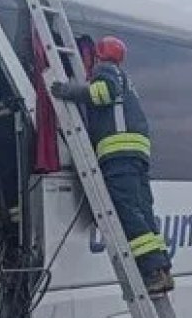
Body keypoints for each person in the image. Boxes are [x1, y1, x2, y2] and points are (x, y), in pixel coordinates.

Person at [50, 35, 174, 293]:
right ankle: (162, 269)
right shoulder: (125, 78)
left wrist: (68, 91)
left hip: (119, 154)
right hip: (136, 154)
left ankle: (151, 270)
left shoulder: (106, 71)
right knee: (143, 211)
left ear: (99, 56)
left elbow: (102, 93)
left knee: (127, 211)